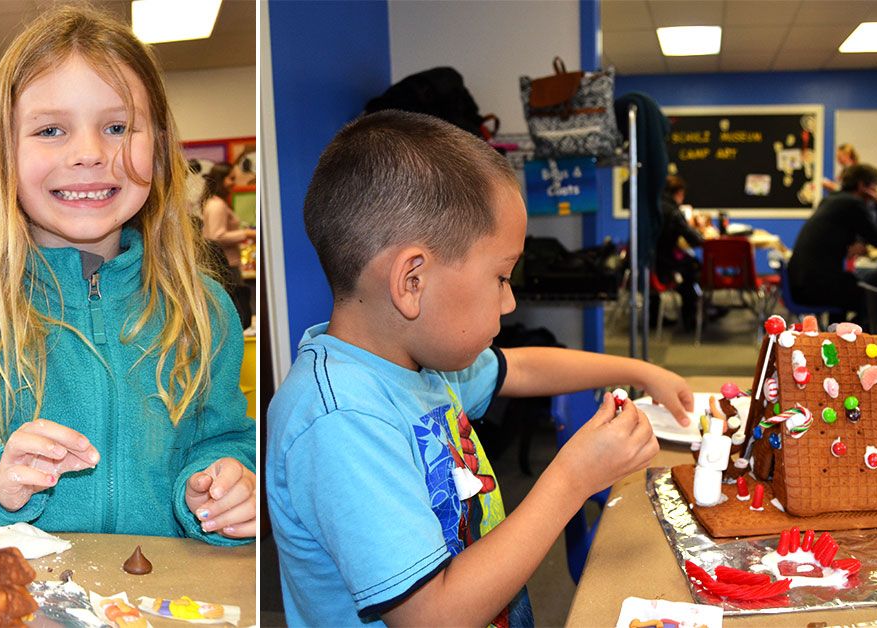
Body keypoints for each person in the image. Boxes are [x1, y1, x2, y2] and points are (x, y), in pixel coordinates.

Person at [267, 111, 693, 626]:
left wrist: (641, 370)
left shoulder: (418, 364)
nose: (510, 302)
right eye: (501, 277)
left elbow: (523, 369)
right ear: (412, 281)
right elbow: (433, 616)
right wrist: (571, 479)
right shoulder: (340, 420)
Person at [0, 4, 255, 544]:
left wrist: (218, 490)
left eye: (117, 126)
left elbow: (221, 440)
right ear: (4, 155)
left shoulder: (205, 310)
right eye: (51, 129)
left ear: (156, 151)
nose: (89, 153)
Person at [789, 164, 877, 328]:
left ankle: (837, 338)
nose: (876, 190)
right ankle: (853, 342)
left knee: (857, 284)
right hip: (815, 286)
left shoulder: (833, 199)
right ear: (862, 185)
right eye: (875, 186)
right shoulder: (853, 204)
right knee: (873, 299)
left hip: (801, 282)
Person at [201, 162, 254, 328]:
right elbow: (216, 236)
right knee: (237, 311)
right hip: (227, 266)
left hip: (225, 265)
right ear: (221, 179)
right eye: (230, 179)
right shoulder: (217, 205)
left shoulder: (214, 203)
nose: (233, 183)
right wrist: (246, 234)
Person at [653, 175, 704, 330]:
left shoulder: (653, 205)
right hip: (664, 264)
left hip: (650, 261)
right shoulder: (673, 211)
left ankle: (653, 318)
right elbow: (695, 239)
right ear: (679, 192)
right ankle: (691, 318)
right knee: (693, 267)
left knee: (687, 261)